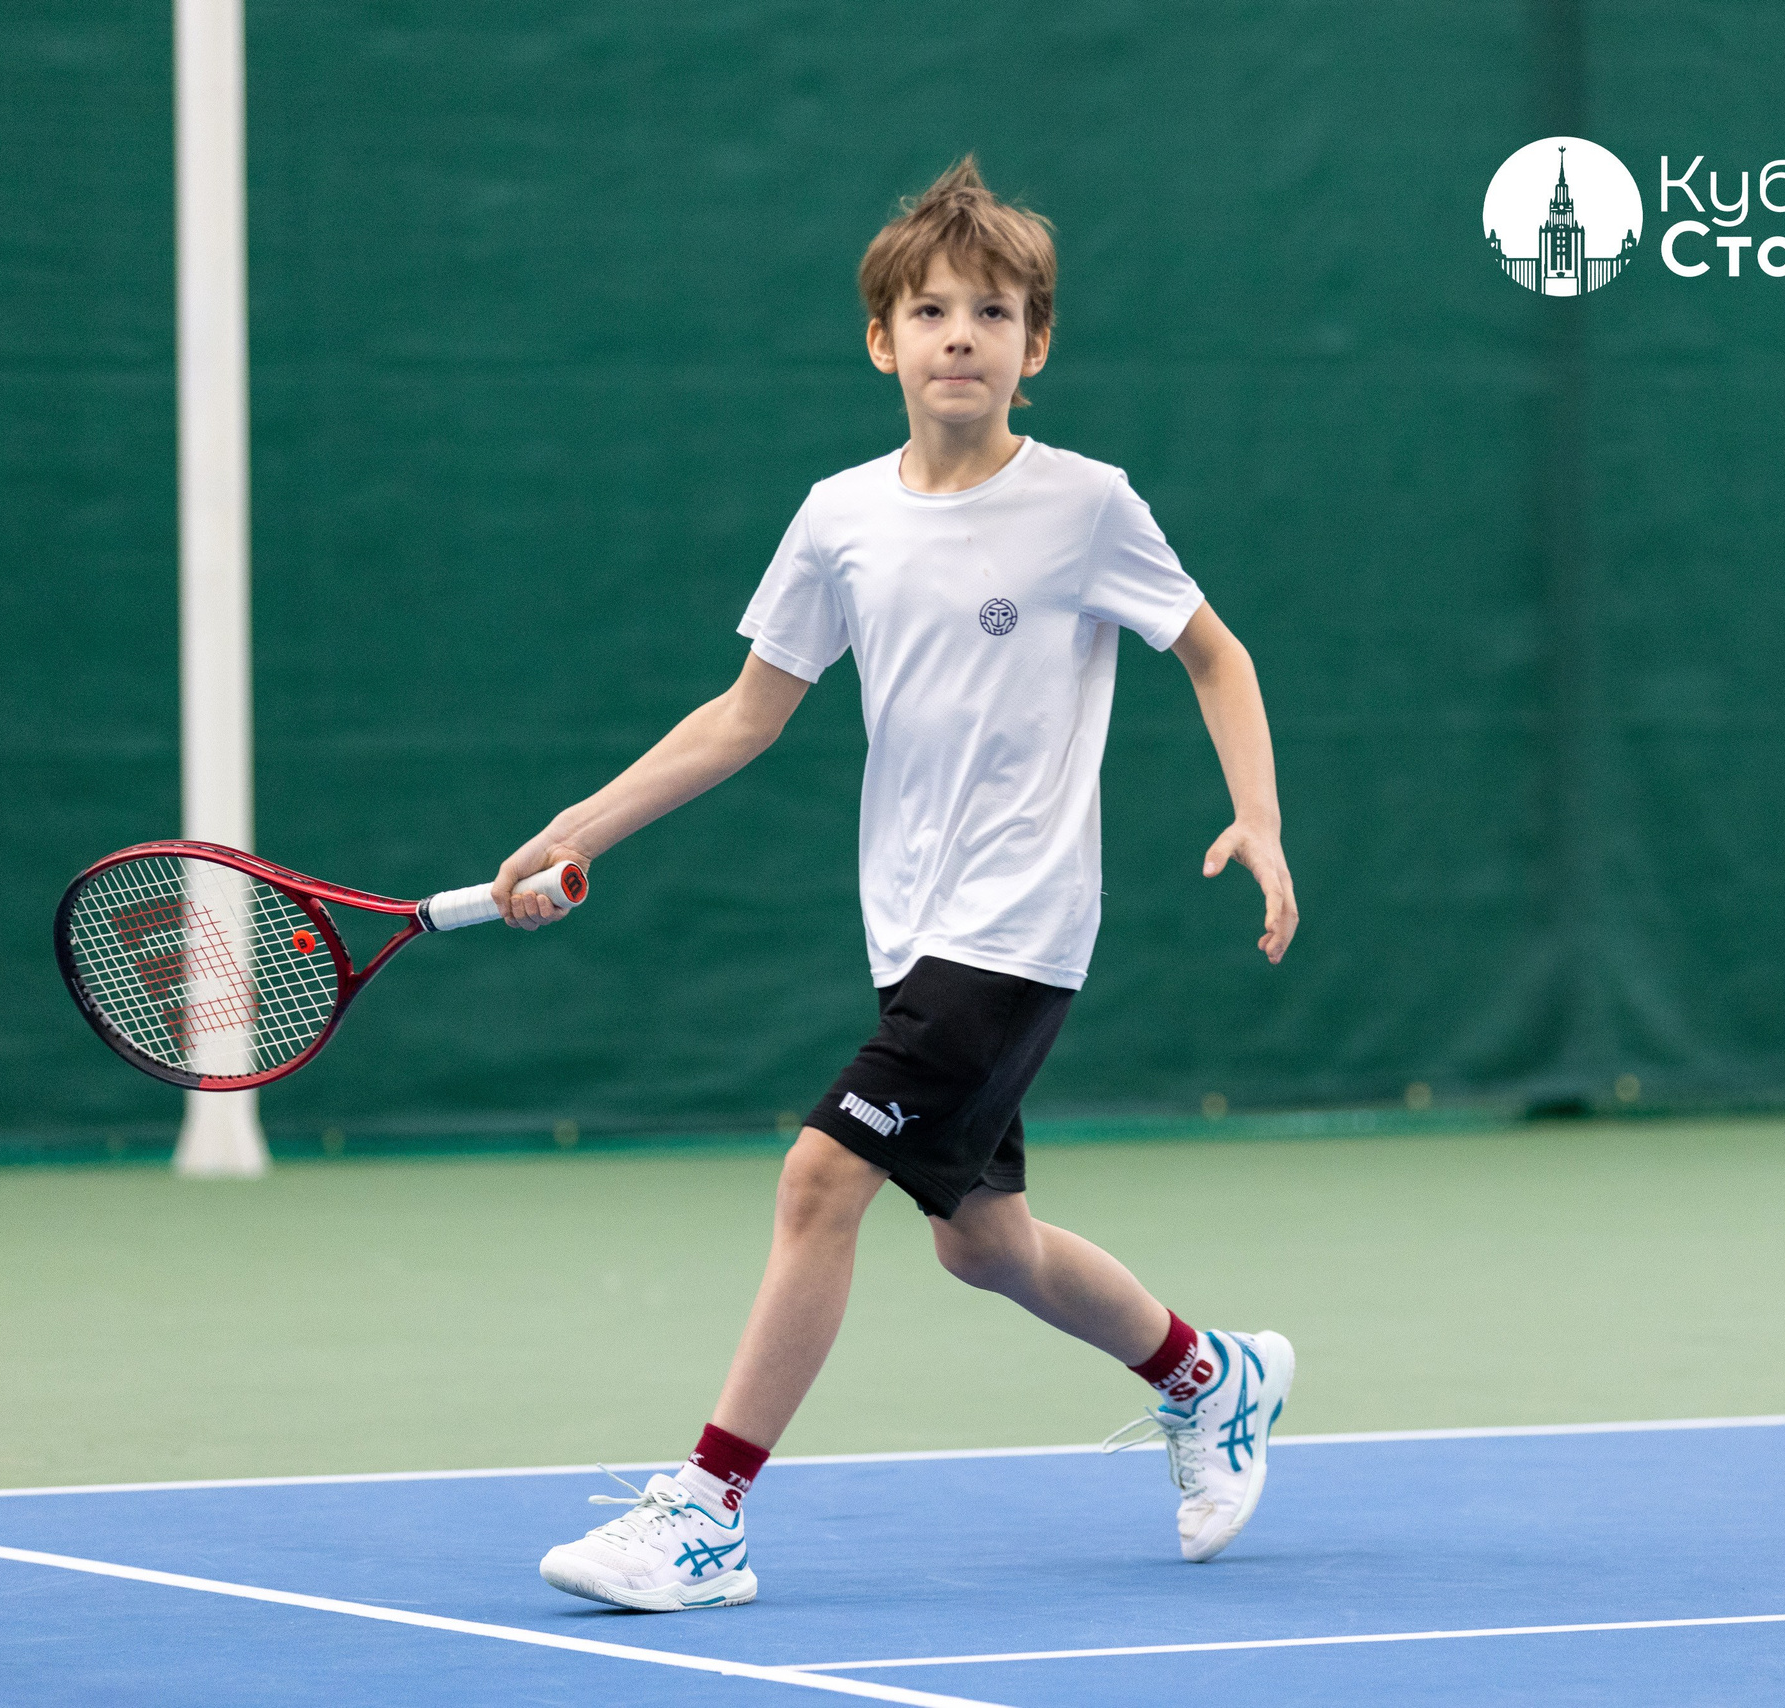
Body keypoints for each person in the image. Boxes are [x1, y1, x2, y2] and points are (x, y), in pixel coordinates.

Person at [493, 157, 1299, 1612]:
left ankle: (708, 1514)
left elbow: (1214, 653)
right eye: (931, 310)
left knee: (820, 1180)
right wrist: (585, 827)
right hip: (912, 929)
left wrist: (1260, 818)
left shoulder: (1088, 505)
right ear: (884, 340)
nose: (961, 335)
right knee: (981, 1244)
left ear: (1034, 346)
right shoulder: (840, 518)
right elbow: (747, 713)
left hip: (1022, 928)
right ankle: (1211, 1374)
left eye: (995, 312)